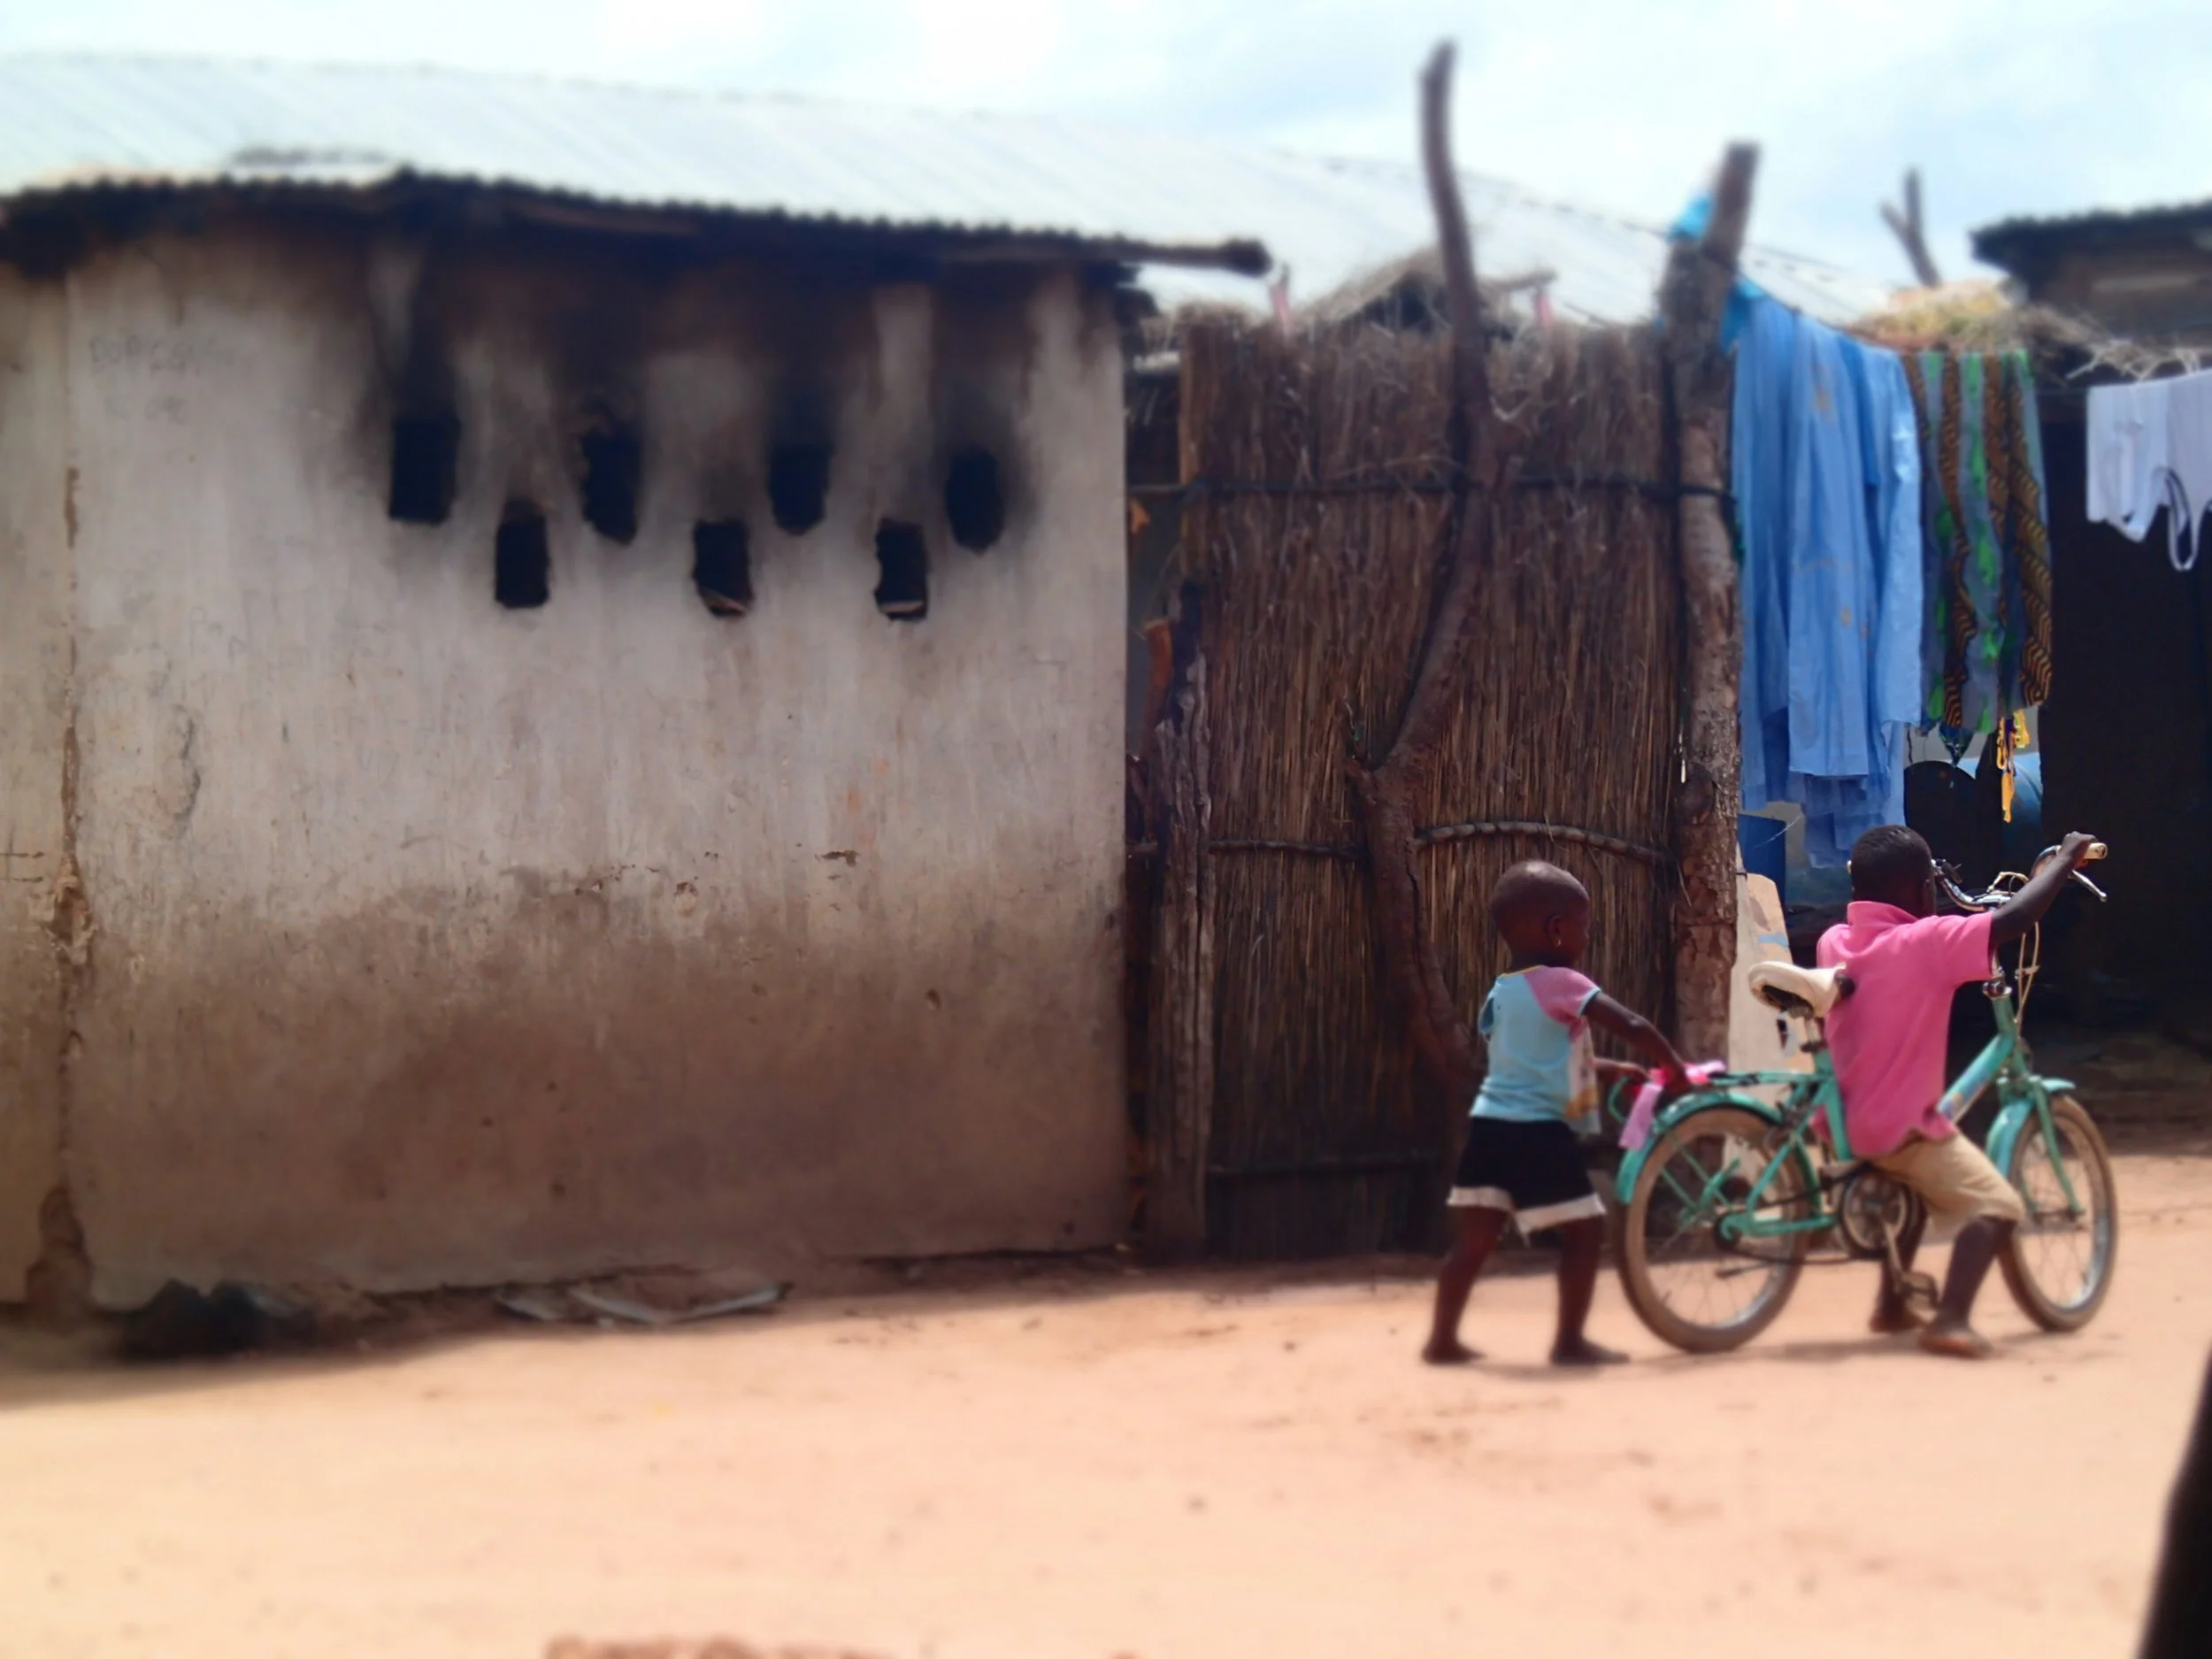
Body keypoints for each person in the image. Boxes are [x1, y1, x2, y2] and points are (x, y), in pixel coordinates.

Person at [1818, 824, 2098, 1359]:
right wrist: (2064, 860)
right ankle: (1950, 1320)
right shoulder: (1927, 942)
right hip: (1897, 1129)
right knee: (1998, 1205)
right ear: (1924, 889)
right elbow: (2012, 920)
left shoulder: (1835, 941)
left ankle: (1893, 1303)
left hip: (1843, 1120)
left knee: (1916, 1192)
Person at [1422, 860, 1686, 1367]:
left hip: (1490, 1129)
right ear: (1557, 929)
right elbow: (1631, 1024)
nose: (1588, 936)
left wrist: (1610, 1070)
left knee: (1474, 1242)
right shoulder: (1562, 981)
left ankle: (1442, 1340)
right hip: (1537, 1132)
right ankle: (1569, 1342)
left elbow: (1536, 1061)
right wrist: (1672, 1064)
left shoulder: (1503, 991)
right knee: (1585, 1233)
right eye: (1585, 925)